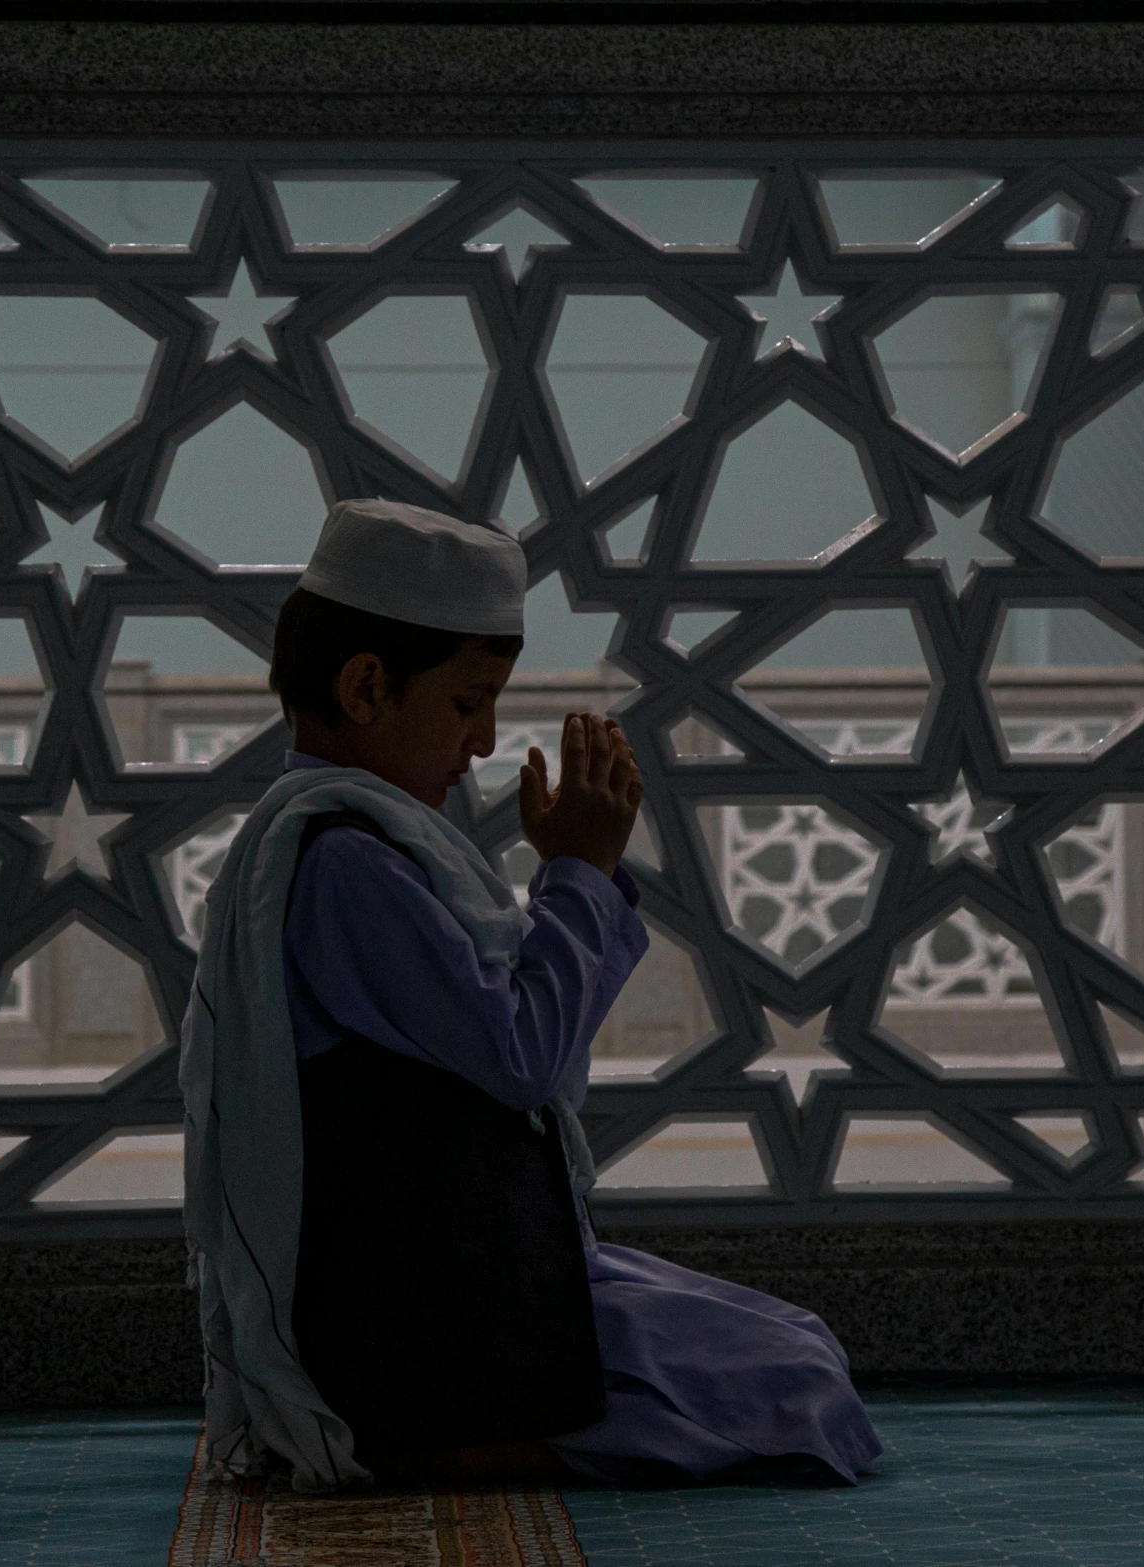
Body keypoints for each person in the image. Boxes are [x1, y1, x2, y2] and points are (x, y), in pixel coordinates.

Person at [181, 499, 880, 1492]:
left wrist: (577, 875)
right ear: (368, 685)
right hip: (431, 1319)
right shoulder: (344, 864)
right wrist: (580, 872)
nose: (484, 741)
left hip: (462, 1285)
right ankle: (436, 1439)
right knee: (794, 1379)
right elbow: (521, 1058)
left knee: (795, 1343)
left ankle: (465, 1423)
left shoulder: (355, 846)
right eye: (468, 703)